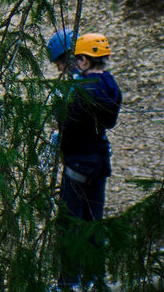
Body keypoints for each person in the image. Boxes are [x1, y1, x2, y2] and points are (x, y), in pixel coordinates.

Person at [58, 32, 123, 287]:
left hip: (78, 163)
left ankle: (68, 282)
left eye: (78, 61)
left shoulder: (81, 90)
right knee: (93, 221)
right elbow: (108, 119)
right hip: (99, 162)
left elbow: (65, 119)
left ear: (84, 61)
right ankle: (95, 278)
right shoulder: (111, 85)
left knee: (70, 223)